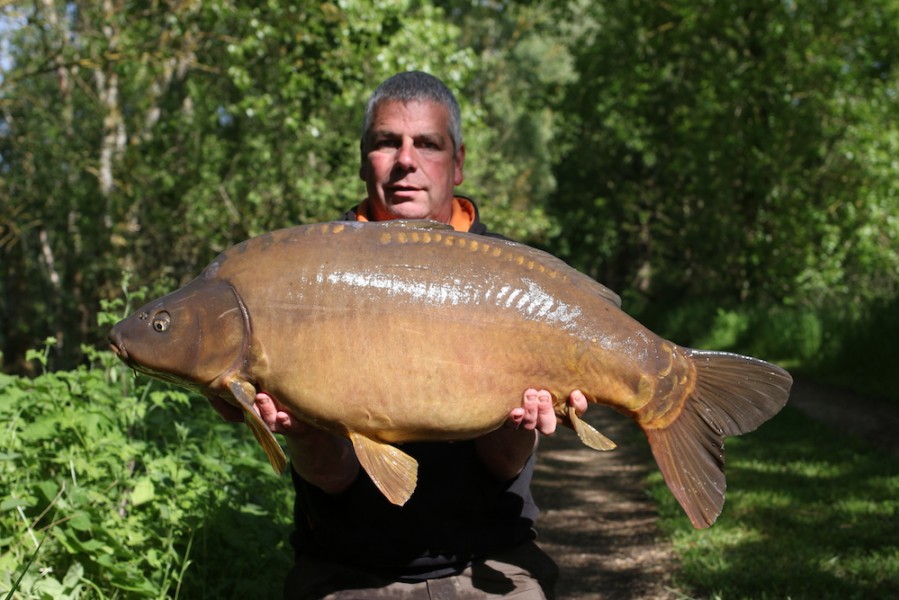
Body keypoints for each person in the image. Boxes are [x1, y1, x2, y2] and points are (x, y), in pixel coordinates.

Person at [213, 71, 588, 599]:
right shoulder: (307, 272)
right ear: (364, 157)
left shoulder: (512, 277)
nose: (405, 160)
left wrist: (522, 422)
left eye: (427, 144)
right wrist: (302, 429)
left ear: (457, 163)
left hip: (489, 561)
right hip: (346, 567)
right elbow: (334, 478)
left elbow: (503, 465)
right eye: (387, 142)